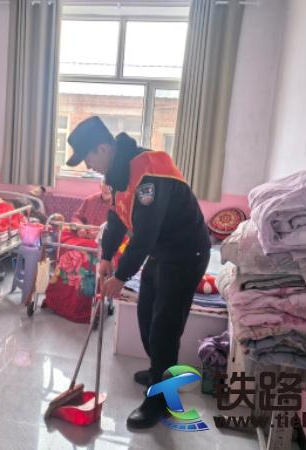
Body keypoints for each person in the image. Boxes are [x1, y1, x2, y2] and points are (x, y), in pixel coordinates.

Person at [66, 116, 211, 429]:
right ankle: (160, 369)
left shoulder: (149, 171)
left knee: (164, 326)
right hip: (162, 251)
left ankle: (161, 401)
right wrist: (106, 256)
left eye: (88, 158)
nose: (89, 166)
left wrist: (120, 277)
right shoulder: (118, 173)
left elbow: (145, 234)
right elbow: (117, 218)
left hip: (186, 252)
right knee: (146, 315)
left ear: (103, 148)